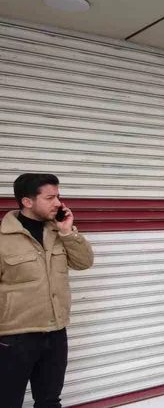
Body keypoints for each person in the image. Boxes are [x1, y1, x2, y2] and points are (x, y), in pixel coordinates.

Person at [0, 173, 95, 408]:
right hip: (15, 338)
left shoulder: (58, 232)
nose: (58, 203)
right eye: (50, 198)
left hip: (55, 334)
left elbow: (84, 263)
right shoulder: (3, 238)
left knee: (50, 402)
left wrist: (67, 231)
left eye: (58, 196)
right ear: (27, 201)